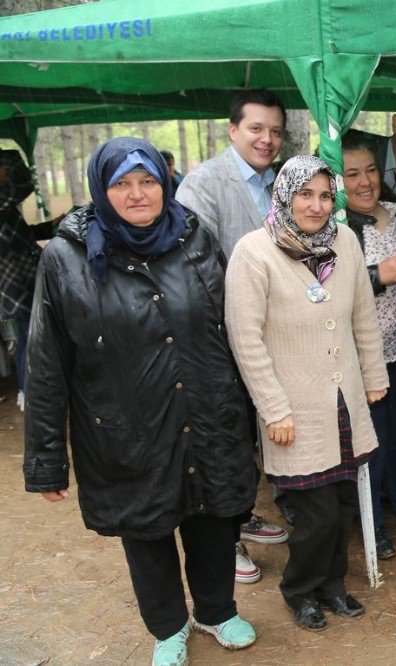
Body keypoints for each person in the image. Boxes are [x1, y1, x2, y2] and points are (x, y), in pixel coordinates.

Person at [23, 137, 258, 666]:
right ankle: (168, 627)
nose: (137, 194)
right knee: (146, 527)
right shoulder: (66, 258)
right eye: (121, 184)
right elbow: (45, 364)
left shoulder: (194, 238)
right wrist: (45, 461)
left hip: (207, 411)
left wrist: (254, 407)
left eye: (147, 180)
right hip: (125, 425)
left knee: (214, 515)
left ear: (164, 181)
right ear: (100, 191)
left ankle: (217, 610)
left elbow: (236, 325)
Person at [225, 155, 389, 631]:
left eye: (324, 195)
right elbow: (245, 338)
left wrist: (375, 378)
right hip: (294, 410)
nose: (317, 206)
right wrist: (273, 409)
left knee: (339, 507)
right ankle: (300, 590)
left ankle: (333, 584)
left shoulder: (345, 242)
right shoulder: (254, 253)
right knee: (312, 514)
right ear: (284, 195)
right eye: (305, 194)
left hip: (343, 402)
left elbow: (363, 315)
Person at [176, 88, 289, 582]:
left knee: (249, 432)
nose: (267, 139)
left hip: (271, 336)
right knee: (223, 439)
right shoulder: (203, 184)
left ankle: (241, 516)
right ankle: (227, 543)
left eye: (275, 131)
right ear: (232, 130)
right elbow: (193, 268)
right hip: (218, 341)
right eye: (256, 129)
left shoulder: (277, 184)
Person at [341, 130, 396, 560]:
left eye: (371, 170)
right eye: (352, 173)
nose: (364, 181)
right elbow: (328, 287)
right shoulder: (337, 228)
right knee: (369, 443)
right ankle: (372, 522)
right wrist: (378, 275)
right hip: (363, 357)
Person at [0, 149, 40, 412]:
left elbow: (23, 186)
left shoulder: (6, 209)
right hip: (9, 278)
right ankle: (25, 391)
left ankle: (28, 391)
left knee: (29, 334)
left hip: (18, 274)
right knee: (25, 335)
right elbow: (18, 188)